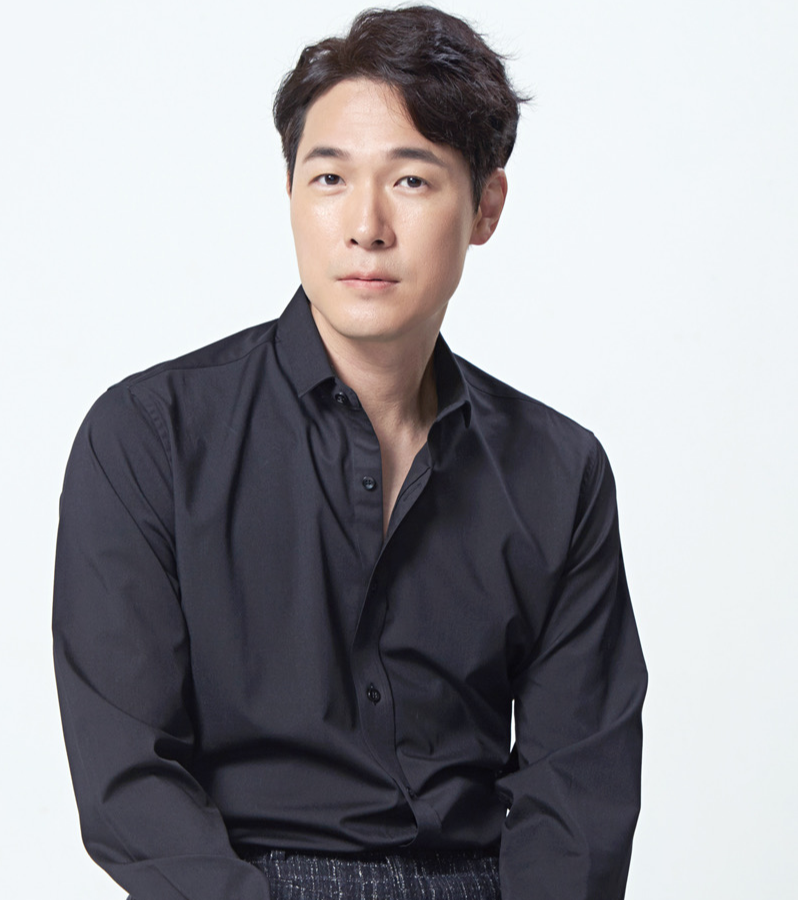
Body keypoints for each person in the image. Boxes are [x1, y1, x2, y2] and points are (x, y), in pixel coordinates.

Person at [52, 6, 647, 900]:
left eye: (411, 180)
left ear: (485, 206)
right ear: (291, 192)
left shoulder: (559, 471)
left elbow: (578, 799)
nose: (366, 225)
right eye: (329, 177)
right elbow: (130, 782)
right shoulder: (150, 437)